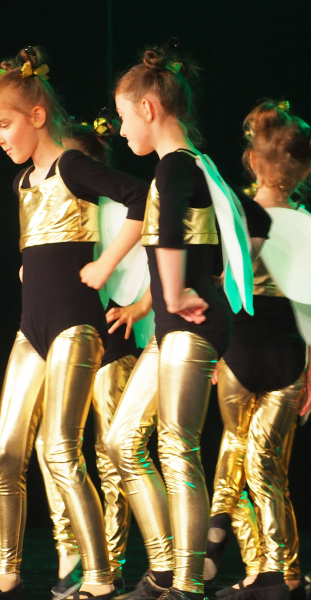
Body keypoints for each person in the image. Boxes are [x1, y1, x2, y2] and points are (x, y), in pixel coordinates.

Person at [106, 39, 254, 600]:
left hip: (191, 320)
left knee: (177, 446)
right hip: (177, 321)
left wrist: (173, 292)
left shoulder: (175, 167)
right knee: (123, 440)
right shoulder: (189, 167)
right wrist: (153, 301)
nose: (122, 130)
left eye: (124, 117)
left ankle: (187, 585)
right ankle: (167, 568)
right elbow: (198, 245)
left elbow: (172, 239)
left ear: (148, 109)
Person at [0, 46, 148, 600]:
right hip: (32, 330)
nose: (0, 137)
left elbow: (141, 197)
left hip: (74, 328)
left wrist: (106, 264)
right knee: (7, 453)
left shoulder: (72, 167)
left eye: (5, 124)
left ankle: (101, 576)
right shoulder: (23, 183)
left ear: (37, 116)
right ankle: (7, 568)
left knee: (61, 449)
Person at [207, 100, 311, 600]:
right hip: (272, 355)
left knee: (248, 463)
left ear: (251, 158)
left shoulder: (287, 219)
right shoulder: (250, 214)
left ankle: (273, 572)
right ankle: (271, 572)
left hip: (253, 353)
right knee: (263, 467)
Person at [33, 115, 154, 600]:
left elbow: (154, 261)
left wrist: (138, 307)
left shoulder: (115, 212)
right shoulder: (60, 213)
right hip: (68, 335)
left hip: (111, 341)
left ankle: (111, 561)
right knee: (52, 445)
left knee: (108, 452)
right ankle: (72, 553)